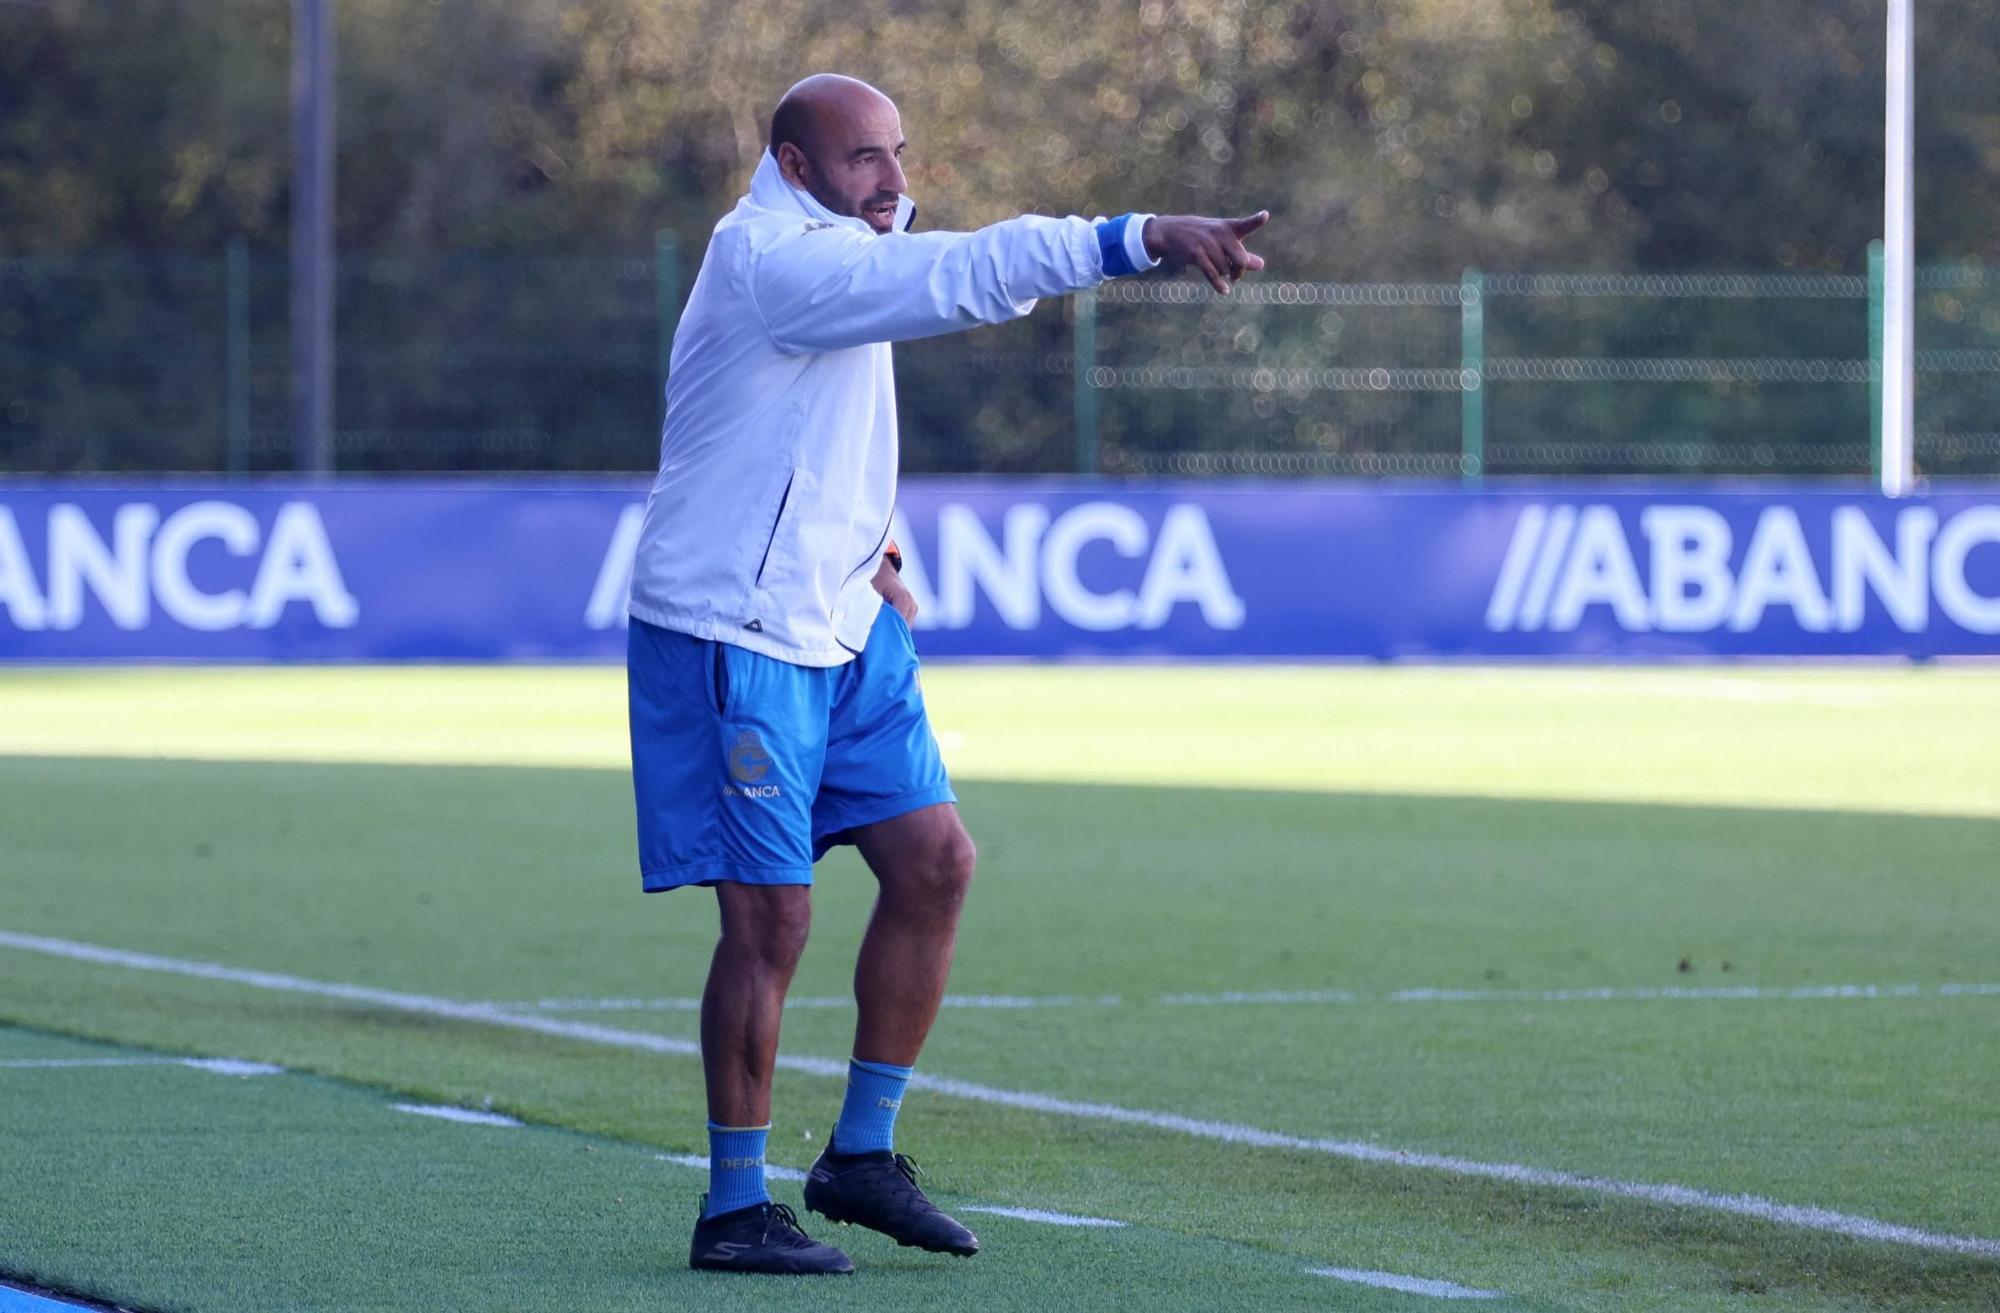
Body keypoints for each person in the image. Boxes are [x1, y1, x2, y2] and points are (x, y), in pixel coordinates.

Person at [625, 72, 1268, 1276]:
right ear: (795, 164)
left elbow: (815, 423)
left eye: (900, 154)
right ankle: (730, 1208)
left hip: (843, 615)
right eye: (865, 160)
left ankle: (859, 1156)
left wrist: (876, 543)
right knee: (772, 920)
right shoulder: (773, 258)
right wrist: (1134, 237)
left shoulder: (842, 238)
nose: (896, 182)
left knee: (936, 862)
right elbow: (957, 277)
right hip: (735, 625)